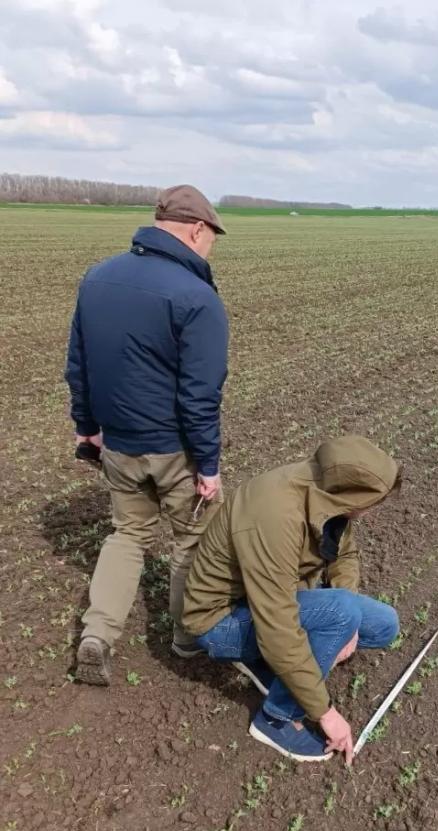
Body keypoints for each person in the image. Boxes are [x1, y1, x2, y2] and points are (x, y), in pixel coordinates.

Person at [65, 185, 229, 686]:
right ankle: (187, 638)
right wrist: (208, 466)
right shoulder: (197, 297)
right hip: (175, 450)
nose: (211, 246)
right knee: (194, 540)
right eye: (212, 236)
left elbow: (78, 365)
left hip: (118, 442)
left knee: (127, 535)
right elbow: (201, 395)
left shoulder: (97, 278)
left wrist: (87, 429)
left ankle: (97, 634)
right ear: (196, 230)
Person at [182, 435, 402, 765]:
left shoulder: (329, 494)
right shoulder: (275, 515)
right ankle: (276, 719)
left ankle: (266, 662)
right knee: (341, 613)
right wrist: (325, 713)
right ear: (355, 494)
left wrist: (352, 622)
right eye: (373, 503)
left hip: (269, 602)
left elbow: (344, 555)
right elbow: (277, 625)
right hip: (220, 620)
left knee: (383, 624)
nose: (371, 512)